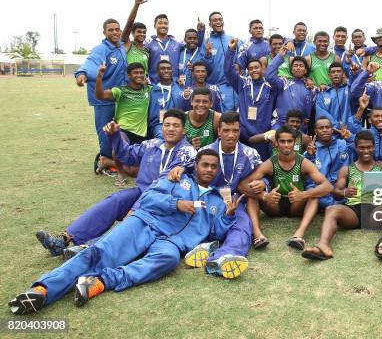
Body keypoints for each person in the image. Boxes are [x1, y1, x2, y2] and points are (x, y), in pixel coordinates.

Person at [10, 150, 238, 315]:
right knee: (99, 253)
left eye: (213, 166)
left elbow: (215, 232)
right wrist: (175, 204)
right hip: (145, 223)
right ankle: (42, 290)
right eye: (205, 165)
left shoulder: (217, 200)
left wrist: (227, 216)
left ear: (218, 171)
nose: (209, 169)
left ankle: (101, 282)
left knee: (168, 261)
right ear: (195, 166)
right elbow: (147, 198)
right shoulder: (176, 179)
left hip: (171, 242)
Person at [35, 110, 196, 259]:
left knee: (132, 216)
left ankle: (89, 247)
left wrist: (136, 207)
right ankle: (63, 239)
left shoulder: (186, 151)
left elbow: (163, 182)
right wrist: (114, 136)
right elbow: (126, 155)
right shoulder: (152, 144)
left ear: (183, 130)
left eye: (176, 126)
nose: (170, 129)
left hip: (164, 200)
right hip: (142, 191)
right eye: (167, 125)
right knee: (116, 200)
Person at [169, 111, 262, 278]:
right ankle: (204, 246)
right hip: (207, 199)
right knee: (194, 222)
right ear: (219, 131)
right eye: (226, 130)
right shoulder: (207, 150)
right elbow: (190, 166)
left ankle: (223, 257)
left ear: (240, 132)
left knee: (242, 225)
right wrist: (180, 168)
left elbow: (264, 175)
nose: (231, 135)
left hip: (233, 202)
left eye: (235, 130)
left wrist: (263, 184)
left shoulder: (250, 154)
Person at [240, 126, 333, 249]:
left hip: (296, 204)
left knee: (314, 195)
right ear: (276, 143)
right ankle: (257, 235)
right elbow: (242, 185)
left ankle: (299, 235)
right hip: (274, 204)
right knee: (252, 195)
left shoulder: (303, 162)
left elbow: (328, 186)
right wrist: (265, 196)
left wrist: (303, 195)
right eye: (282, 141)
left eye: (289, 141)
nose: (286, 145)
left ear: (294, 143)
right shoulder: (270, 163)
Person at [301, 130, 382, 261]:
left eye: (369, 147)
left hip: (374, 213)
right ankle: (323, 246)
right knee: (331, 209)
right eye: (362, 147)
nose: (366, 150)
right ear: (355, 147)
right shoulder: (346, 170)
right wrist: (344, 192)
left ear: (374, 147)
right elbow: (336, 194)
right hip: (352, 213)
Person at [74, 18, 128, 174]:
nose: (114, 32)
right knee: (104, 130)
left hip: (118, 98)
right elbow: (91, 62)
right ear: (104, 32)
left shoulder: (121, 48)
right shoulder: (101, 49)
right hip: (103, 99)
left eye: (117, 29)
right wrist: (82, 74)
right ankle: (105, 160)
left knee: (117, 130)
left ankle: (114, 159)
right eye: (110, 30)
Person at [95, 62, 151, 185]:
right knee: (119, 145)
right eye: (136, 73)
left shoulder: (148, 89)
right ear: (129, 75)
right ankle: (120, 173)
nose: (139, 75)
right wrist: (99, 76)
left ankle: (107, 162)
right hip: (123, 129)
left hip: (141, 134)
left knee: (139, 169)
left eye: (142, 72)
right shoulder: (121, 91)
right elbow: (100, 95)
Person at [225, 38, 278, 160]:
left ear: (262, 69)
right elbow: (228, 71)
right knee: (242, 163)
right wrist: (231, 51)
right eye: (251, 68)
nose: (254, 70)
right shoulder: (242, 83)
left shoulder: (271, 85)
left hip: (262, 133)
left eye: (256, 67)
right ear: (248, 71)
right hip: (243, 133)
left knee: (261, 164)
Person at [302, 117, 353, 212]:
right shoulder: (310, 151)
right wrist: (310, 156)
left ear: (332, 129)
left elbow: (359, 151)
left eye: (327, 127)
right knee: (312, 191)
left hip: (341, 186)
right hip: (322, 188)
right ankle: (335, 206)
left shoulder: (343, 144)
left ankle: (339, 206)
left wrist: (350, 139)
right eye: (321, 128)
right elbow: (309, 180)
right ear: (315, 131)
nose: (325, 130)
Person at [266, 46, 316, 131]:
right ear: (291, 70)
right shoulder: (284, 83)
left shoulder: (312, 88)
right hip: (280, 125)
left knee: (297, 145)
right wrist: (280, 56)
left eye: (301, 66)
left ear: (305, 70)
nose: (298, 68)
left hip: (300, 127)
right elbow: (269, 76)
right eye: (295, 65)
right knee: (275, 144)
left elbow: (314, 109)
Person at [200, 11, 241, 112]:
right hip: (216, 86)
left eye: (220, 20)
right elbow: (205, 68)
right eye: (215, 20)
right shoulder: (207, 42)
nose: (218, 22)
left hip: (233, 85)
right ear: (210, 24)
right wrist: (208, 55)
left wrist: (239, 66)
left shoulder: (232, 39)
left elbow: (241, 60)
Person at [248, 110, 312, 156]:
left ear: (301, 124)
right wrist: (269, 137)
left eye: (298, 122)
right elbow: (251, 140)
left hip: (295, 173)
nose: (295, 124)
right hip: (275, 172)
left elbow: (310, 157)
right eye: (292, 121)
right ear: (286, 123)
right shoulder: (275, 133)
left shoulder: (304, 138)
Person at [148, 60, 184, 140]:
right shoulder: (153, 91)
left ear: (172, 71)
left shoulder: (179, 87)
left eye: (168, 68)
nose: (166, 70)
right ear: (157, 72)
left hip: (179, 122)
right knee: (163, 137)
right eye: (163, 68)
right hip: (160, 124)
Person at [145, 14, 183, 84]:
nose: (163, 25)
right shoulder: (148, 45)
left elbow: (193, 46)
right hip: (154, 84)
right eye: (160, 23)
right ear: (154, 26)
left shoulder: (177, 44)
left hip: (174, 84)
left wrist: (200, 32)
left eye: (166, 23)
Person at [315, 62, 351, 131]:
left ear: (343, 74)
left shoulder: (349, 89)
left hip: (349, 133)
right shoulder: (323, 93)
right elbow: (321, 114)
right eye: (333, 72)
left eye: (338, 71)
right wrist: (338, 126)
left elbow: (356, 85)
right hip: (330, 134)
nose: (336, 74)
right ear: (329, 75)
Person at [121, 0, 150, 77]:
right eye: (139, 32)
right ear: (132, 33)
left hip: (142, 86)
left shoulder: (147, 50)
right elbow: (128, 25)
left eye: (144, 32)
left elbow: (146, 70)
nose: (142, 34)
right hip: (128, 85)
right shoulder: (128, 44)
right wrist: (136, 5)